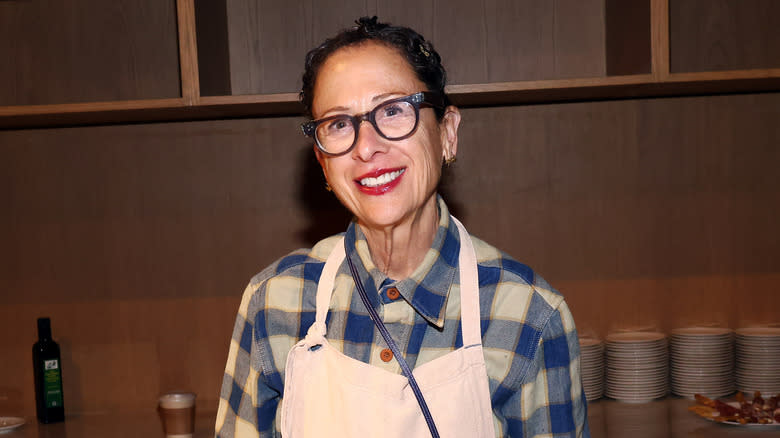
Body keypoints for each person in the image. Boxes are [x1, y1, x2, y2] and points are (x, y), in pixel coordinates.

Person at [216, 16, 589, 438]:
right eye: (339, 123)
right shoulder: (274, 303)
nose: (366, 147)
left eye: (393, 111)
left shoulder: (527, 316)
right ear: (322, 161)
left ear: (447, 132)